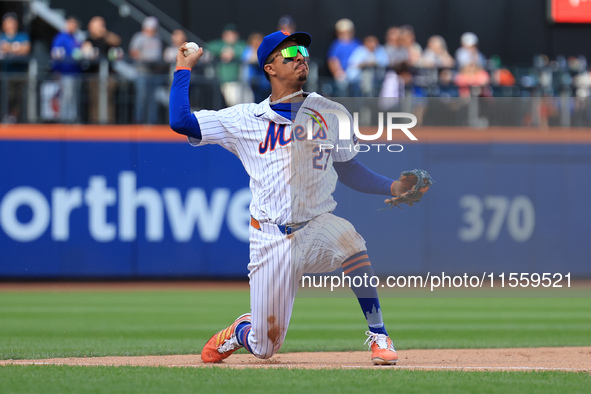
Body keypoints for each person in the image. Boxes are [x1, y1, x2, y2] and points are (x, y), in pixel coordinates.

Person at [170, 30, 429, 365]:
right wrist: (182, 67)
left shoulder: (331, 112)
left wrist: (393, 187)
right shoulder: (245, 119)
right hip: (269, 238)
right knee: (265, 347)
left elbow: (349, 170)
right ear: (270, 67)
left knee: (350, 240)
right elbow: (180, 121)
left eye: (303, 49)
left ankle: (379, 335)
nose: (300, 56)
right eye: (289, 52)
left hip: (315, 227)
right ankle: (241, 330)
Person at [82, 16, 122, 124]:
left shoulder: (106, 38)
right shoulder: (88, 40)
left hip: (108, 76)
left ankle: (108, 123)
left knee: (108, 101)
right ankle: (95, 123)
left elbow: (117, 41)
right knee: (94, 101)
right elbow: (84, 51)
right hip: (93, 75)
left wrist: (105, 33)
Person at [129, 16, 164, 124]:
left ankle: (151, 121)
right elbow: (133, 52)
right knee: (142, 96)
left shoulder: (157, 38)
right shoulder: (139, 37)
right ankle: (139, 119)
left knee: (153, 98)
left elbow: (159, 54)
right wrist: (143, 57)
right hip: (142, 71)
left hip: (154, 72)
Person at [50, 16, 83, 122]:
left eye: (74, 25)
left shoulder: (76, 38)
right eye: (70, 24)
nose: (72, 26)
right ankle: (65, 120)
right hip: (64, 73)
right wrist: (56, 71)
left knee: (73, 97)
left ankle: (72, 118)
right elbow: (55, 54)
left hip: (75, 73)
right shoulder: (61, 37)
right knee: (66, 97)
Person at [207, 23, 247, 106]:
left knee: (241, 104)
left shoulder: (241, 45)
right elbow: (209, 47)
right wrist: (222, 51)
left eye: (233, 34)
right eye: (228, 34)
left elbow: (247, 51)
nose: (231, 36)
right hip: (223, 80)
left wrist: (233, 52)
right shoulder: (219, 44)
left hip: (239, 81)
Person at [0, 12, 31, 123]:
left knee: (17, 99)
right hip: (4, 74)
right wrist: (15, 48)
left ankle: (14, 119)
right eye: (8, 21)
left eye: (12, 21)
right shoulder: (1, 36)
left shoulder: (22, 36)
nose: (11, 24)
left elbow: (25, 48)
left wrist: (9, 47)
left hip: (18, 74)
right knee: (4, 97)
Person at [327, 18, 360, 96]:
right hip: (342, 76)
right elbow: (332, 60)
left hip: (357, 76)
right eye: (342, 33)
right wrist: (338, 72)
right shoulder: (336, 45)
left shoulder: (357, 44)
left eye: (347, 32)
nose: (345, 35)